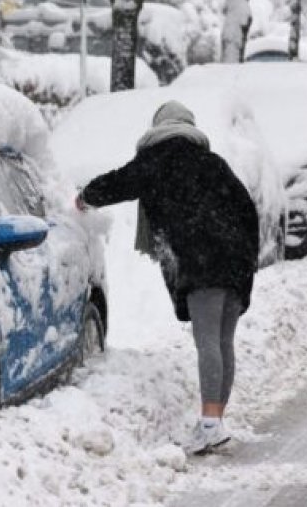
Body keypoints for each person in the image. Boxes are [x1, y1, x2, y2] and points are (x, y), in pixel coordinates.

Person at [75, 100, 259, 455]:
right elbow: (247, 209)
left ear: (159, 126)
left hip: (202, 258)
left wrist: (85, 197)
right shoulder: (214, 163)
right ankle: (214, 420)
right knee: (222, 341)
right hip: (234, 259)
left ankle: (210, 424)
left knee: (207, 340)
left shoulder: (159, 158)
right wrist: (247, 257)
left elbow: (120, 182)